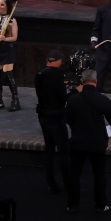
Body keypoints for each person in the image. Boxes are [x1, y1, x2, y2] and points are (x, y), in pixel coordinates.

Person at [62, 67, 111, 213]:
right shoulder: (102, 99)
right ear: (96, 81)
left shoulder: (73, 100)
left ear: (82, 81)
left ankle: (72, 204)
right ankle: (101, 204)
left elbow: (67, 119)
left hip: (78, 142)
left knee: (75, 173)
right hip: (97, 143)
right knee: (99, 175)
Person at [33, 50, 70, 194]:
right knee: (63, 151)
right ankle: (67, 183)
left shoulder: (40, 73)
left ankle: (51, 183)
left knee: (49, 150)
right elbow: (62, 97)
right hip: (55, 116)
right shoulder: (55, 75)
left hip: (43, 115)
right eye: (61, 61)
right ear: (57, 61)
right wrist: (75, 91)